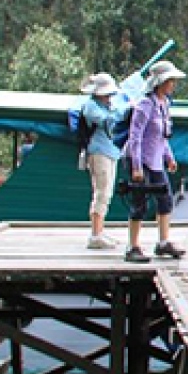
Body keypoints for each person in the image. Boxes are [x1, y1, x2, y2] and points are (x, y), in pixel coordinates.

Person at [123, 60, 187, 263]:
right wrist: (136, 166)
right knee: (139, 203)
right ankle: (132, 246)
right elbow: (136, 136)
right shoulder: (144, 105)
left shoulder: (165, 104)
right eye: (170, 81)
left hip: (156, 159)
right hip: (140, 160)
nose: (173, 85)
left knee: (165, 199)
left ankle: (163, 242)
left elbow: (162, 136)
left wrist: (169, 157)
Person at [79, 72, 124, 249]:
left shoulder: (108, 105)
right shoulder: (91, 107)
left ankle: (100, 231)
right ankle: (95, 234)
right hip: (98, 152)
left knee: (108, 193)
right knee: (101, 192)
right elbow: (109, 120)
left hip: (111, 152)